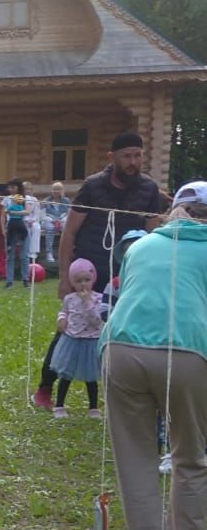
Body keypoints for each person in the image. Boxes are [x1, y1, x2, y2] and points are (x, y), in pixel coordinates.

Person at [101, 181, 207, 530]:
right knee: (190, 453)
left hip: (121, 348)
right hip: (187, 352)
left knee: (136, 458)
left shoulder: (142, 246)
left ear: (175, 210)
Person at [33, 133, 166, 409]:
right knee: (70, 329)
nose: (133, 162)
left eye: (137, 155)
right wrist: (64, 278)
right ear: (112, 158)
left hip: (126, 272)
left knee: (127, 332)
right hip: (87, 273)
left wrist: (148, 274)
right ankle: (45, 388)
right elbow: (69, 233)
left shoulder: (149, 189)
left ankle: (124, 395)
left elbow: (152, 234)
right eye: (127, 156)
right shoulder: (93, 187)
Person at [51, 258, 103, 419]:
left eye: (87, 280)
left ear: (93, 280)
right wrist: (61, 319)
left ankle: (93, 407)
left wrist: (87, 302)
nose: (83, 284)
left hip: (91, 341)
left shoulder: (98, 299)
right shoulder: (70, 298)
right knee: (65, 374)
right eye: (78, 281)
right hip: (71, 340)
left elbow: (96, 320)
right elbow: (64, 311)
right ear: (72, 282)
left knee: (91, 377)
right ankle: (59, 405)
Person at [2, 180, 29, 287]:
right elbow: (3, 215)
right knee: (10, 256)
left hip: (22, 226)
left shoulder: (24, 198)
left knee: (24, 256)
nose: (10, 190)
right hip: (11, 227)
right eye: (9, 188)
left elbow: (27, 211)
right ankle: (9, 281)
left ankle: (25, 279)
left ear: (18, 188)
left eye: (13, 187)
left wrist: (13, 212)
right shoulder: (6, 200)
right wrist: (3, 228)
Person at [40, 182, 69, 261]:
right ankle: (49, 253)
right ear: (51, 190)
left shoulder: (66, 201)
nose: (56, 191)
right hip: (49, 221)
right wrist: (53, 219)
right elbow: (42, 214)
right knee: (50, 228)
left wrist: (61, 219)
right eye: (54, 189)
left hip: (61, 221)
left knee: (66, 228)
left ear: (62, 190)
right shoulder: (46, 201)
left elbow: (68, 213)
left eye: (58, 189)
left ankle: (64, 253)